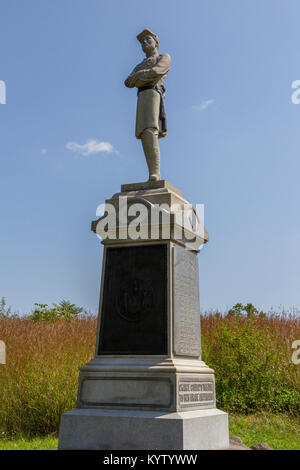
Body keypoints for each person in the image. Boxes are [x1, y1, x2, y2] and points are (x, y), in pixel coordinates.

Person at [125, 29, 171, 181]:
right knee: (144, 133)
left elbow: (157, 71)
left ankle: (155, 173)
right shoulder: (140, 64)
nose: (145, 43)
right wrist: (143, 75)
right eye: (142, 42)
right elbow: (128, 82)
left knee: (151, 131)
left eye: (148, 40)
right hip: (142, 96)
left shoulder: (163, 57)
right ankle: (152, 171)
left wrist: (140, 76)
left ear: (156, 42)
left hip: (153, 94)